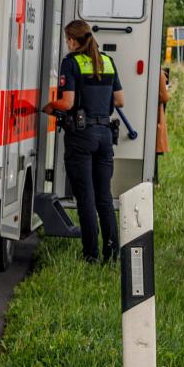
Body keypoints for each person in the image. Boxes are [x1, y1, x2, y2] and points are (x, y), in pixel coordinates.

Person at [43, 20, 125, 264]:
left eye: (67, 39)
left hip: (81, 137)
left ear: (71, 40)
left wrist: (48, 107)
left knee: (86, 199)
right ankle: (112, 254)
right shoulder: (107, 61)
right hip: (104, 136)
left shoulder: (71, 62)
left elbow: (67, 103)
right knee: (104, 198)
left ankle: (91, 255)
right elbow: (119, 101)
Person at [155, 68, 171, 184]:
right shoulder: (159, 73)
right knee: (154, 151)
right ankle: (155, 181)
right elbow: (165, 97)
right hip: (155, 117)